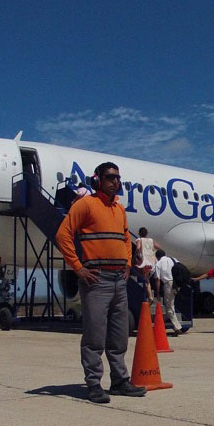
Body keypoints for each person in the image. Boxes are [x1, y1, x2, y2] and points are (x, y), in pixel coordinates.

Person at [55, 161, 147, 403]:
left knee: (119, 336)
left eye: (117, 178)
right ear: (98, 180)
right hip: (97, 279)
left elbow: (126, 238)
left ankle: (119, 381)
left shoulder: (119, 208)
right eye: (110, 177)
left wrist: (127, 264)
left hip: (119, 279)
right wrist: (78, 267)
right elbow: (62, 235)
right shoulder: (86, 204)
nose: (115, 182)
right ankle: (94, 384)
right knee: (95, 335)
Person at [154, 248, 181, 337]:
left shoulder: (158, 263)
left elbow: (157, 279)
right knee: (171, 305)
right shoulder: (172, 259)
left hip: (168, 284)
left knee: (169, 307)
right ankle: (162, 321)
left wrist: (157, 292)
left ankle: (177, 328)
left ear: (157, 257)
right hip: (177, 284)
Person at [137, 227, 159, 297]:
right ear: (147, 233)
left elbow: (137, 248)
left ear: (139, 233)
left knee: (146, 280)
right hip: (152, 261)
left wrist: (135, 256)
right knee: (147, 278)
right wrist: (152, 252)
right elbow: (158, 247)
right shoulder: (151, 240)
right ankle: (149, 295)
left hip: (145, 262)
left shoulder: (139, 240)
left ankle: (150, 296)